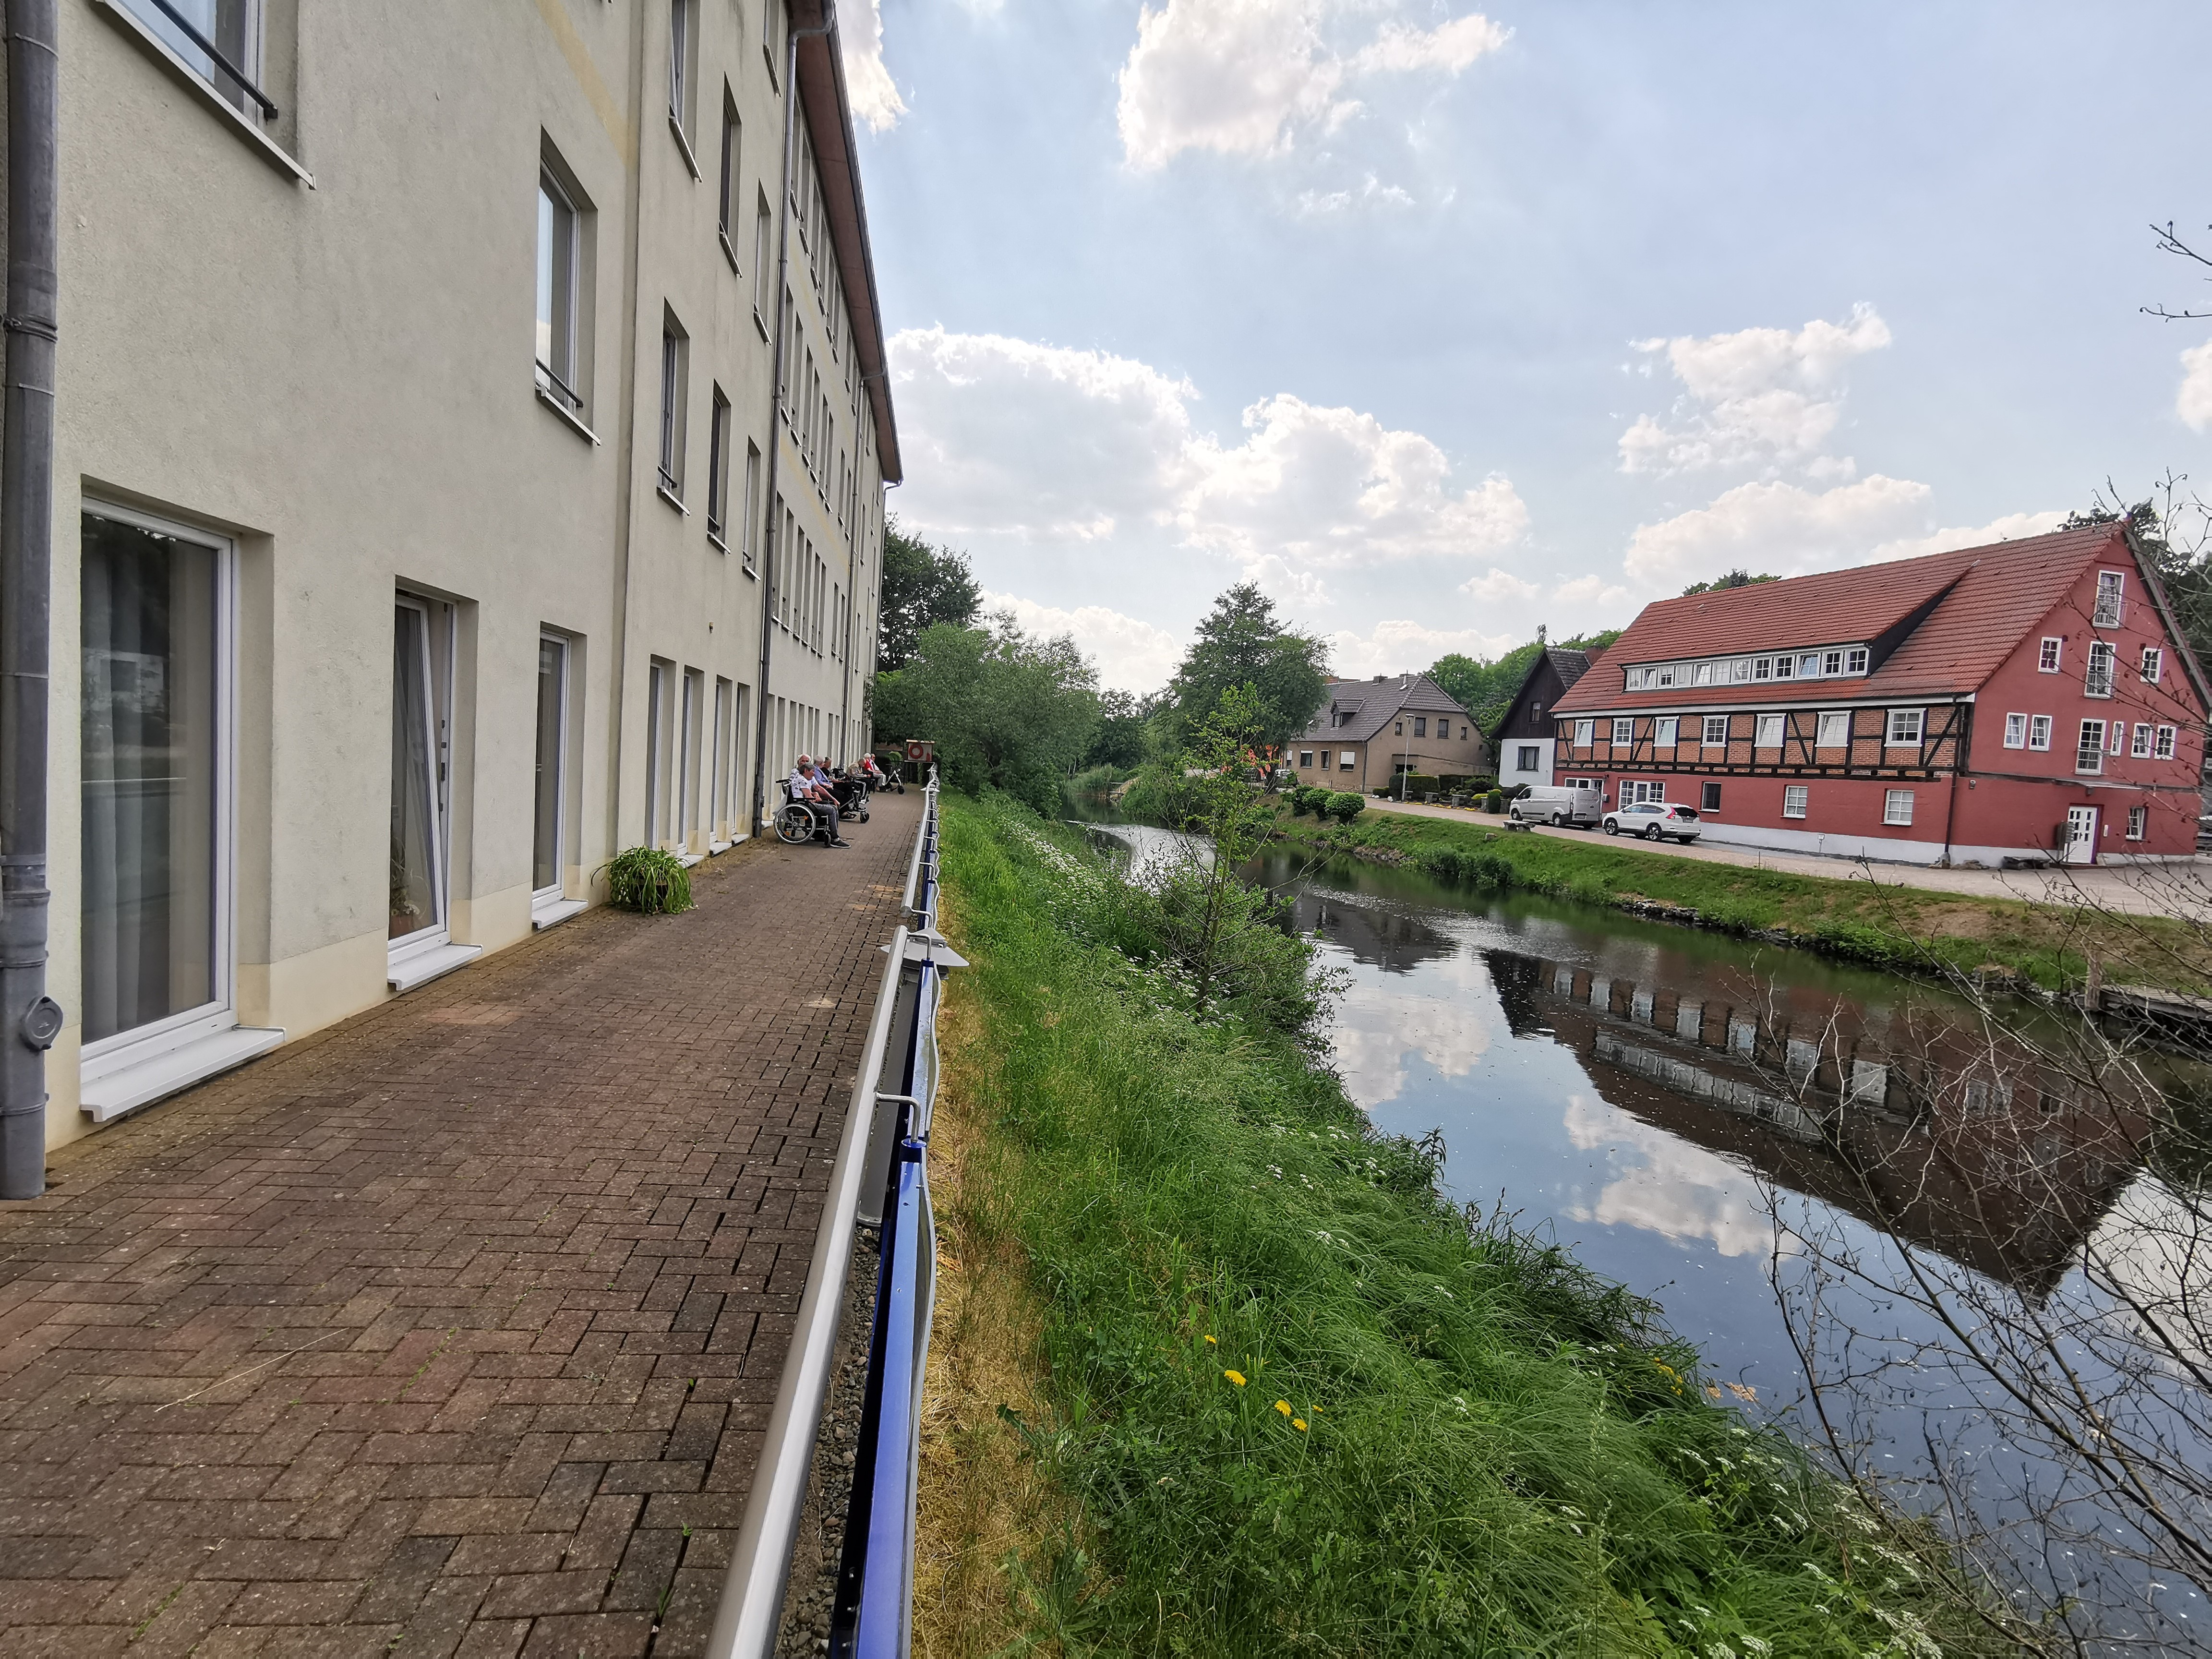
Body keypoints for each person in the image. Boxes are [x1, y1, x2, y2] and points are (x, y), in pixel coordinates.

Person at [788, 755, 848, 847]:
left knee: (832, 806)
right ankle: (835, 838)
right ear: (806, 771)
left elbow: (816, 790)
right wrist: (816, 798)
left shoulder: (805, 778)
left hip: (805, 802)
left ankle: (827, 834)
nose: (814, 774)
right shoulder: (801, 779)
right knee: (831, 810)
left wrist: (818, 795)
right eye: (813, 772)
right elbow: (808, 797)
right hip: (803, 805)